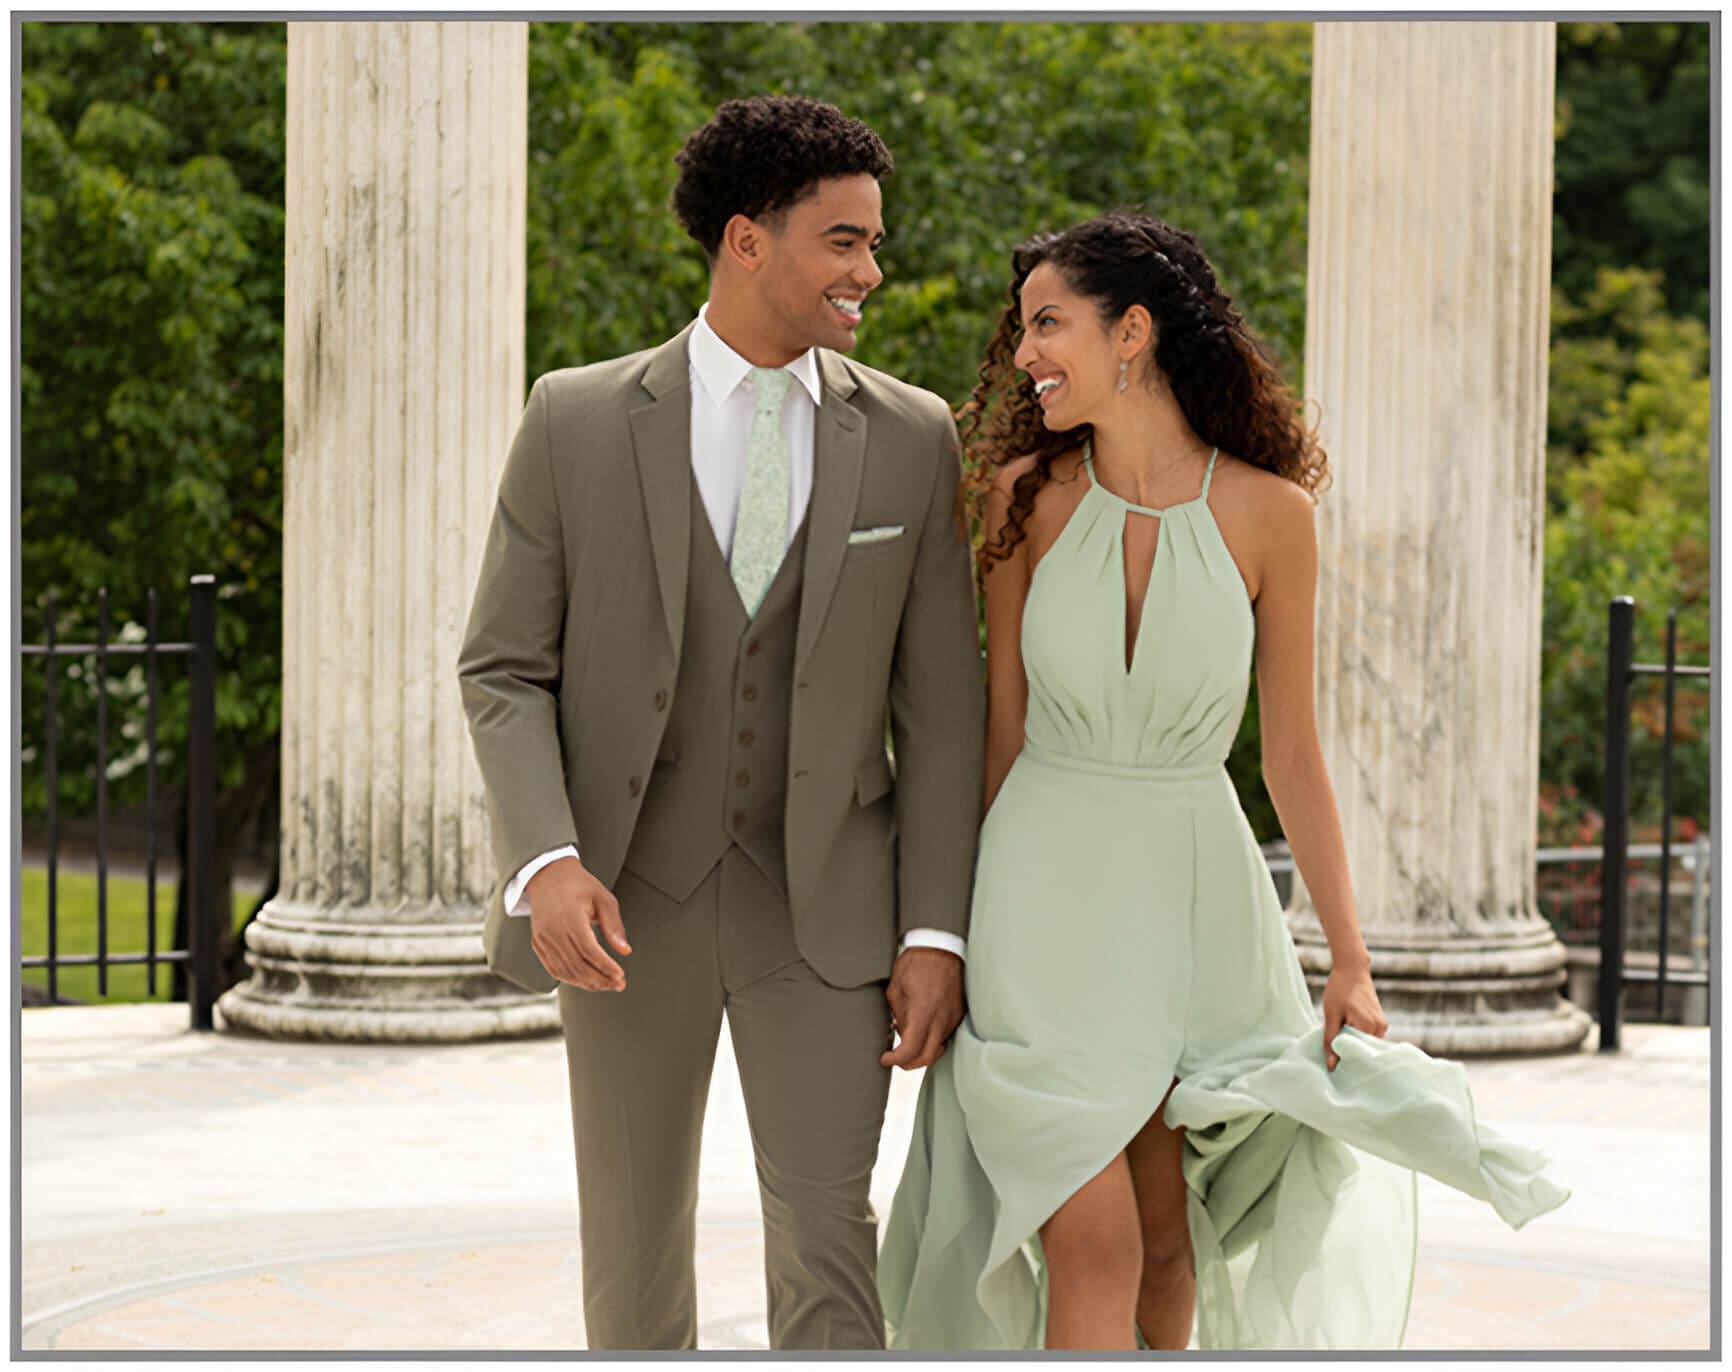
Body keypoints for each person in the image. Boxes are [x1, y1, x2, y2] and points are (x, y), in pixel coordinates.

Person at [876, 211, 1570, 1351]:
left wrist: (1348, 958)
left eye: (1048, 324)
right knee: (1087, 1240)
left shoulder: (1271, 515)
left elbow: (1290, 752)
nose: (1023, 354)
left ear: (1133, 331)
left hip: (1197, 911)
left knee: (1165, 1250)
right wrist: (939, 934)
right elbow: (994, 734)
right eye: (1022, 329)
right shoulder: (1021, 499)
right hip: (1040, 907)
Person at [456, 95, 985, 1351]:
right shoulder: (575, 420)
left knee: (828, 1240)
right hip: (627, 900)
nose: (871, 270)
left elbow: (945, 711)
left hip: (829, 911)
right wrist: (547, 860)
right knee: (631, 1251)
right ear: (747, 241)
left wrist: (934, 929)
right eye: (843, 241)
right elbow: (502, 668)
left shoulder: (912, 438)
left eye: (873, 242)